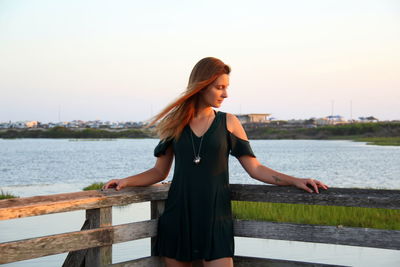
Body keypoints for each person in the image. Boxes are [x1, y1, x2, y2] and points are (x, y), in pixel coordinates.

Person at [103, 57, 328, 267]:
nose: (226, 94)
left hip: (215, 218)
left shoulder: (228, 122)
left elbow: (255, 169)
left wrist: (295, 180)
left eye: (226, 87)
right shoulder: (175, 124)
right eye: (219, 87)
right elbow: (159, 172)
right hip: (178, 218)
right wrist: (125, 181)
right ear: (201, 86)